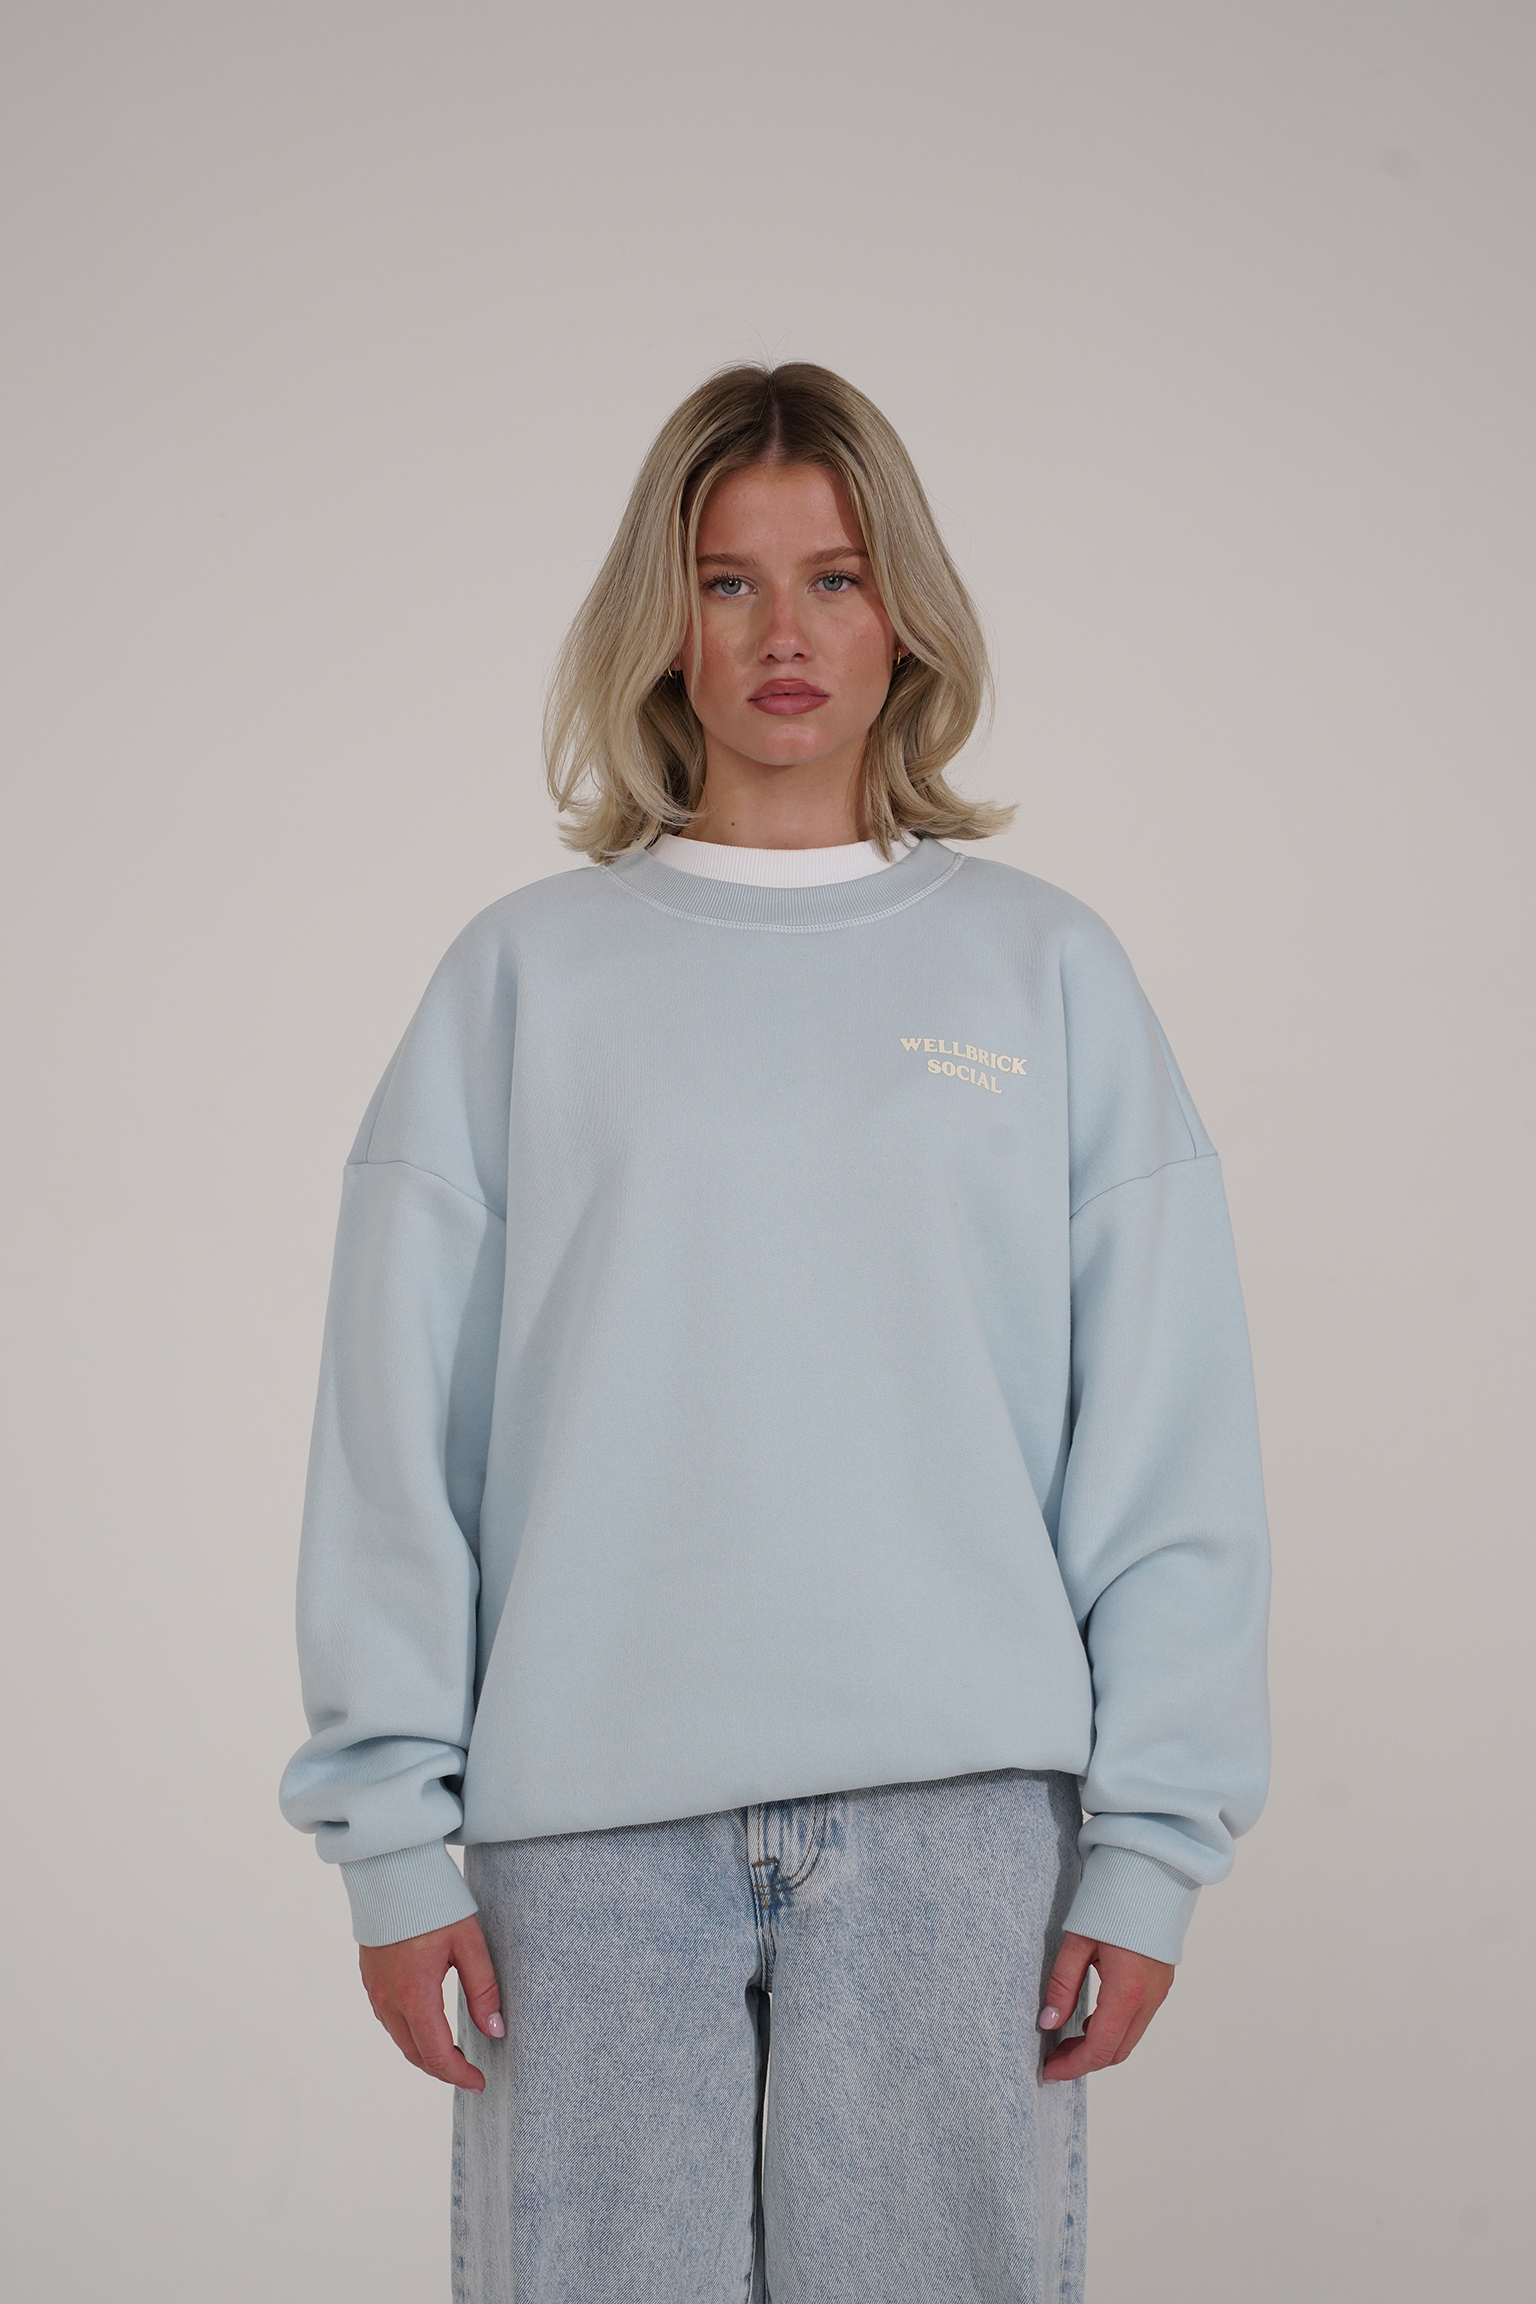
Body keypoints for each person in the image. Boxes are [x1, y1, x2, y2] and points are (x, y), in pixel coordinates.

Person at [280, 361, 1270, 2304]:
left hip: (960, 1839)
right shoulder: (523, 979)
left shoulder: (1045, 973)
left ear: (907, 612)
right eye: (727, 583)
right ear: (664, 626)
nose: (783, 634)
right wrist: (390, 1837)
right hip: (583, 1848)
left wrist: (1152, 1843)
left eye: (833, 577)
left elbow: (1167, 1434)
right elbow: (395, 1431)